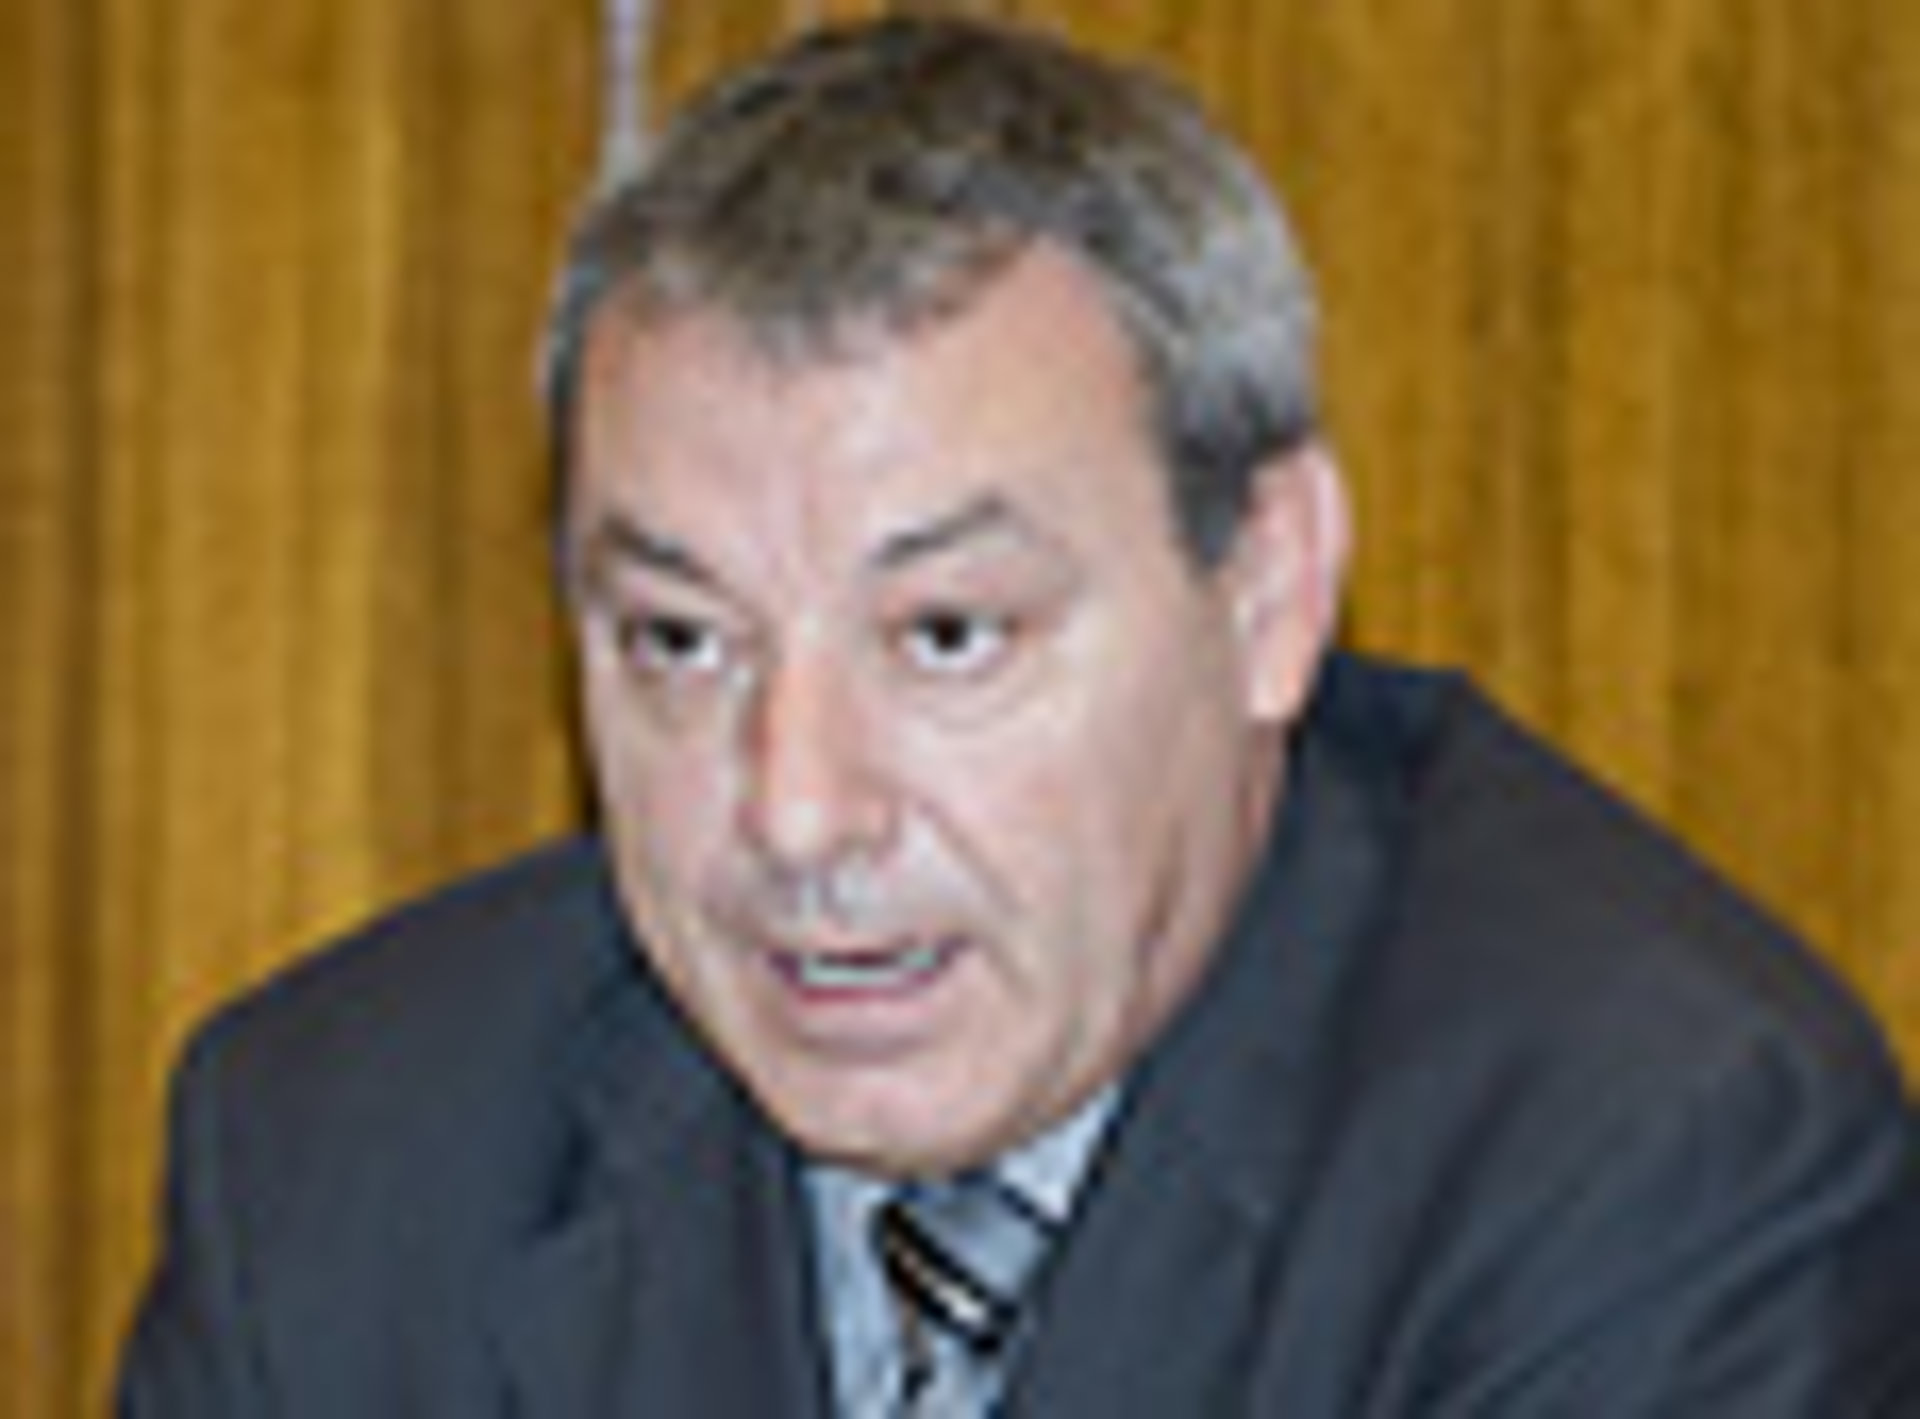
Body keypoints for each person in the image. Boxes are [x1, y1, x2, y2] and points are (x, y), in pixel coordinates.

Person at [120, 13, 1920, 1416]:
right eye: (682, 641)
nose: (795, 813)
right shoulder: (338, 1155)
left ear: (1267, 588)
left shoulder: (1647, 1170)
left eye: (947, 636)